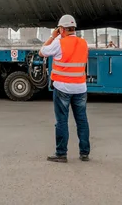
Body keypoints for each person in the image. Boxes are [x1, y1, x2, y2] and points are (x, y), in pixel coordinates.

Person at [39, 14, 90, 163]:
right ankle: (84, 153)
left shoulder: (59, 43)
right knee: (82, 120)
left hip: (62, 88)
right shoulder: (83, 43)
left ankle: (61, 153)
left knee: (62, 121)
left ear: (61, 29)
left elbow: (42, 52)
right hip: (80, 88)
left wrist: (52, 37)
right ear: (74, 29)